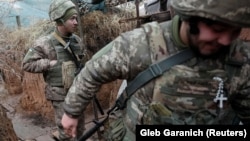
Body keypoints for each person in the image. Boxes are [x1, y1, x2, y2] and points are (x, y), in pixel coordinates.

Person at [61, 0, 250, 140]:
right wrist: (71, 112)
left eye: (234, 31)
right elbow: (92, 71)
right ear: (189, 18)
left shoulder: (240, 58)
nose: (226, 40)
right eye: (217, 29)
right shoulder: (140, 44)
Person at [22, 0, 86, 140]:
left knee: (80, 129)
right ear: (61, 20)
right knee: (67, 133)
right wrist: (49, 64)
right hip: (60, 96)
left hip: (77, 93)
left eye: (76, 18)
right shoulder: (45, 43)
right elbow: (27, 64)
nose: (76, 22)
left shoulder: (76, 41)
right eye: (72, 18)